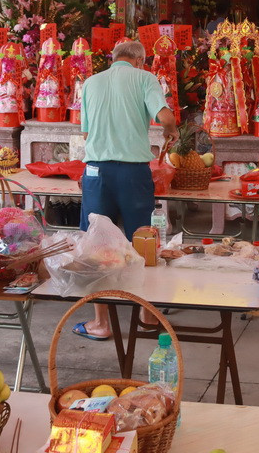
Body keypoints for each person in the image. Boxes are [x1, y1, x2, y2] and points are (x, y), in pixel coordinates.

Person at [73, 40, 177, 341]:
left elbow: (85, 130)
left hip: (96, 172)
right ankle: (146, 317)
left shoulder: (91, 83)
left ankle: (101, 323)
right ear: (141, 61)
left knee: (96, 246)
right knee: (141, 242)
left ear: (114, 59)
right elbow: (165, 117)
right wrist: (171, 130)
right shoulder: (145, 79)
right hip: (133, 173)